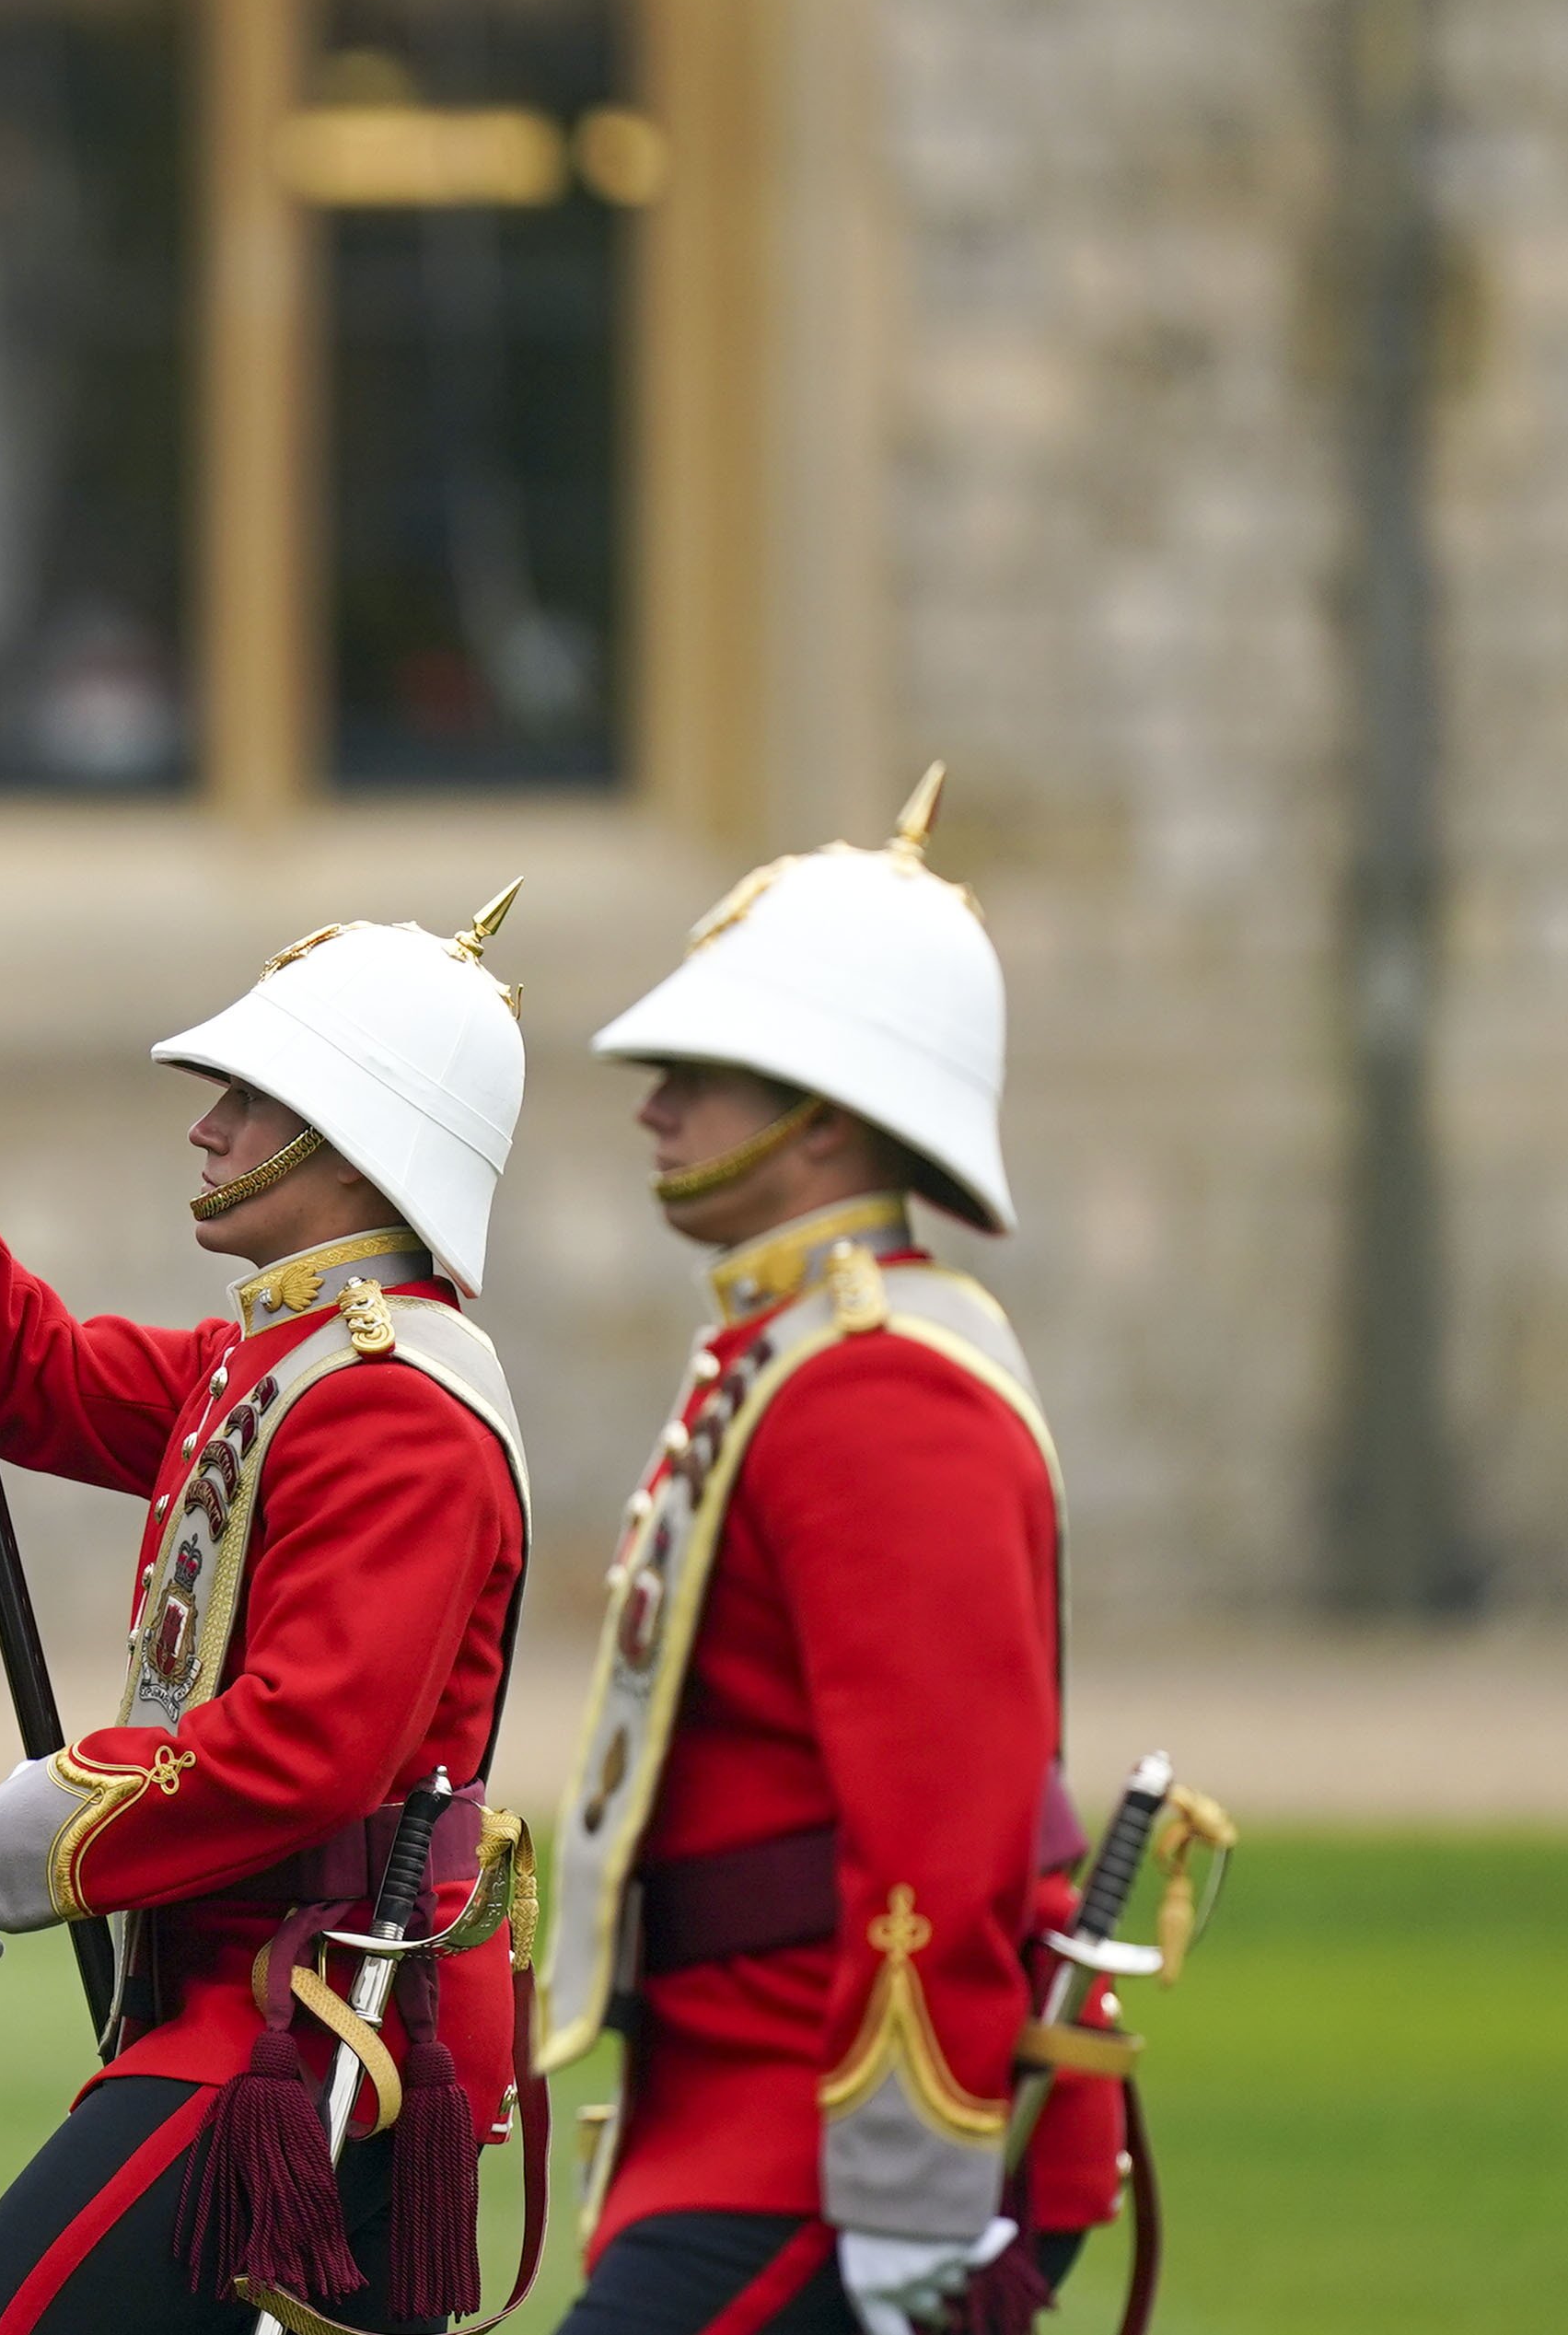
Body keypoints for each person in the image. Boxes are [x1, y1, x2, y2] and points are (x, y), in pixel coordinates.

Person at [0, 900, 540, 2335]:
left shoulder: (393, 1405)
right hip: (238, 1989)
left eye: (251, 1095)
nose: (206, 1125)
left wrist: (50, 1826)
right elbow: (41, 1379)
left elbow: (305, 1747)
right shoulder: (279, 1358)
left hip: (316, 2006)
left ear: (352, 1129)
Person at [538, 772, 1128, 2335]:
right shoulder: (796, 1345)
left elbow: (938, 1809)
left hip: (833, 2116)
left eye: (707, 1069)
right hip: (736, 2086)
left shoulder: (878, 1383)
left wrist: (911, 2166)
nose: (657, 1101)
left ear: (828, 1103)